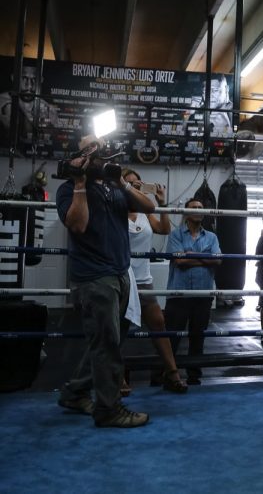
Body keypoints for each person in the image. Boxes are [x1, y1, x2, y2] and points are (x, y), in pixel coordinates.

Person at [56, 135, 155, 428]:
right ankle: (108, 409)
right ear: (80, 155)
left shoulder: (114, 188)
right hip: (95, 278)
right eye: (91, 148)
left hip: (121, 275)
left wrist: (122, 182)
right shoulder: (68, 190)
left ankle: (75, 393)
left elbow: (149, 208)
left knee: (108, 341)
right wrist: (79, 182)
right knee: (106, 345)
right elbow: (78, 224)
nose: (102, 151)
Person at [121, 169, 187, 393]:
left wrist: (161, 203)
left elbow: (164, 229)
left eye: (136, 184)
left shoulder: (145, 212)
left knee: (158, 324)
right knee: (118, 330)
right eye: (127, 183)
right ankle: (117, 377)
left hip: (143, 279)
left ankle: (172, 374)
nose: (133, 187)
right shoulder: (115, 210)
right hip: (121, 279)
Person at [164, 198, 222, 385]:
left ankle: (194, 375)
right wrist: (205, 257)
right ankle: (169, 374)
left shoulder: (212, 237)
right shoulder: (176, 235)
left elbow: (218, 261)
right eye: (194, 207)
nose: (198, 210)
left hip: (202, 295)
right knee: (172, 337)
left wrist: (191, 256)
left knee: (198, 337)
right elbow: (179, 261)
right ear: (186, 213)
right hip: (179, 295)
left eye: (200, 207)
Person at [0, 64, 59, 141]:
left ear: (40, 80)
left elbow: (55, 138)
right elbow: (20, 130)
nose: (29, 85)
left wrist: (47, 125)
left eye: (34, 79)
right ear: (14, 78)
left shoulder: (48, 108)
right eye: (24, 78)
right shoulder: (3, 100)